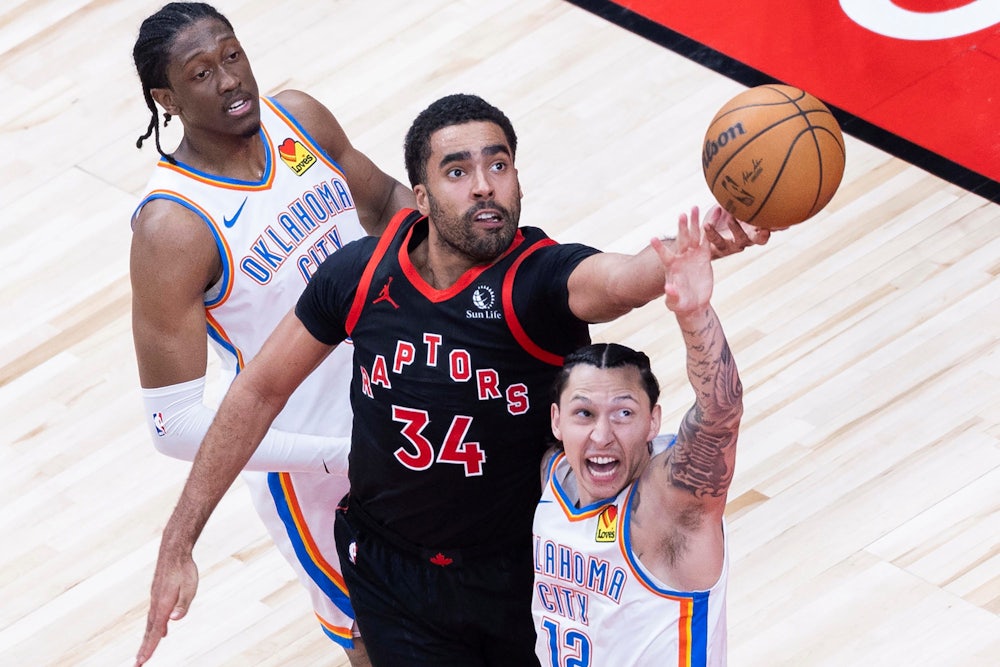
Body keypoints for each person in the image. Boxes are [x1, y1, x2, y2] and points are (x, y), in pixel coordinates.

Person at [135, 92, 767, 667]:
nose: (485, 187)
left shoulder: (537, 279)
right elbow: (258, 392)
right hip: (393, 575)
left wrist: (695, 250)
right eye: (458, 172)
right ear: (422, 195)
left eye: (499, 166)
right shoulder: (360, 275)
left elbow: (618, 279)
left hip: (521, 571)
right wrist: (179, 539)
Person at [129, 3, 414, 665]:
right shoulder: (173, 226)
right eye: (201, 73)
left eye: (232, 56)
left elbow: (390, 207)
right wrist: (332, 456)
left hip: (415, 399)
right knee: (387, 640)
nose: (229, 80)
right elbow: (171, 424)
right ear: (165, 98)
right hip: (319, 465)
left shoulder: (300, 120)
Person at [533, 212, 741, 666]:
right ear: (556, 421)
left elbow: (719, 413)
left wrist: (694, 313)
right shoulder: (555, 475)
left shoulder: (670, 507)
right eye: (584, 414)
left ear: (653, 423)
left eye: (624, 414)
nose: (602, 435)